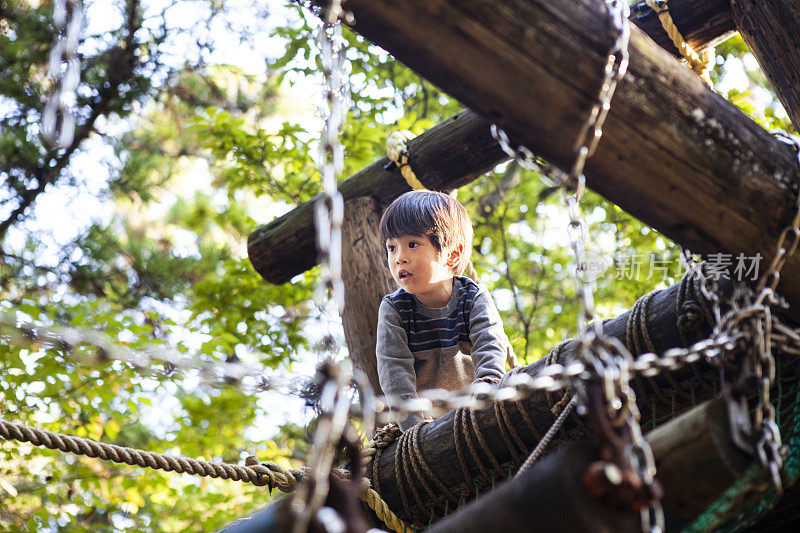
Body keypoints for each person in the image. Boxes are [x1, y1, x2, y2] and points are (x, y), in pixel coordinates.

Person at [376, 190, 513, 430]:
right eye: (391, 248)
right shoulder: (395, 310)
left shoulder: (473, 298)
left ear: (453, 254)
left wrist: (485, 401)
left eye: (412, 244)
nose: (399, 258)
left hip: (477, 411)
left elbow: (490, 349)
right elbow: (394, 374)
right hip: (425, 423)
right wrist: (414, 428)